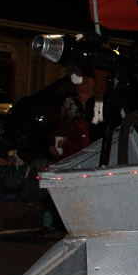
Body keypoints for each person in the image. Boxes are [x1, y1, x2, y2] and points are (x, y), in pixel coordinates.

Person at [38, 97, 91, 236]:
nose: (60, 111)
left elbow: (84, 147)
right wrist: (51, 148)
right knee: (52, 196)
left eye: (63, 108)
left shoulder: (79, 126)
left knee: (67, 198)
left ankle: (71, 228)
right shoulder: (64, 125)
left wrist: (65, 145)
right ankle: (46, 226)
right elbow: (52, 139)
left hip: (70, 168)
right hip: (59, 165)